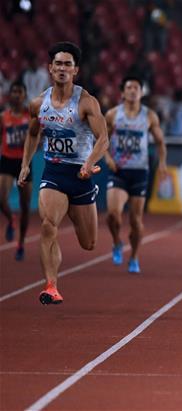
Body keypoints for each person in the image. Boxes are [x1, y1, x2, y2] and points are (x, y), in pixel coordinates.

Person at [18, 42, 109, 304]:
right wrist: (25, 163)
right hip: (54, 172)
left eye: (67, 64)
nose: (62, 68)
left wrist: (89, 162)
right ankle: (51, 286)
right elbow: (33, 133)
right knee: (48, 226)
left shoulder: (86, 103)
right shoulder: (38, 104)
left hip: (81, 177)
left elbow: (103, 139)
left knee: (89, 243)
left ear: (75, 71)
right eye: (58, 63)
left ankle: (88, 195)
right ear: (50, 68)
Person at [104, 75, 168, 273]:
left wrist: (162, 163)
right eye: (129, 87)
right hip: (119, 170)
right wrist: (106, 157)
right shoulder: (113, 115)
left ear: (141, 92)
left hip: (140, 172)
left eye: (136, 87)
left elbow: (159, 141)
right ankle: (116, 242)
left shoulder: (149, 116)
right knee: (113, 215)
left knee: (135, 221)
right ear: (122, 92)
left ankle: (134, 256)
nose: (132, 91)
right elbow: (101, 140)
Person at [1, 81, 31, 260]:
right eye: (14, 92)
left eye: (20, 92)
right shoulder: (3, 116)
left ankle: (20, 242)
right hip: (6, 160)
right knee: (0, 197)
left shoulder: (30, 115)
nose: (17, 95)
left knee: (25, 205)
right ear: (10, 95)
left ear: (25, 95)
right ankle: (11, 219)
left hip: (24, 163)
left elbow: (38, 135)